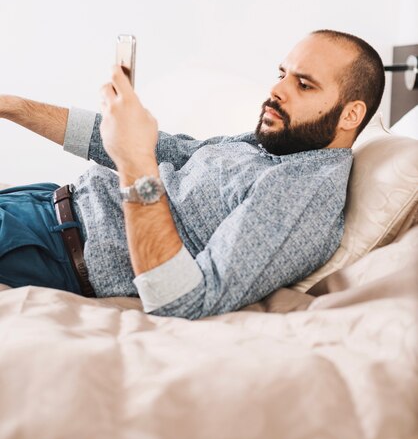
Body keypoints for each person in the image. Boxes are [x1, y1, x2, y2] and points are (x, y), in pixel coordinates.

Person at [0, 29, 385, 319]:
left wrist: (134, 163)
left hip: (52, 250)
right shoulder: (275, 145)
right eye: (282, 74)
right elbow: (164, 148)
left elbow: (184, 301)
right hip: (42, 203)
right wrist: (14, 107)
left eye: (303, 84)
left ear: (351, 114)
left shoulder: (303, 195)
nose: (275, 90)